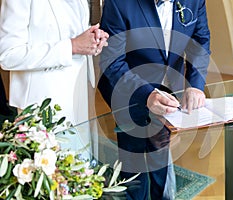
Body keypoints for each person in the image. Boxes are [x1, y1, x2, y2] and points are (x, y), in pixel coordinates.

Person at [98, 0, 210, 199]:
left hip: (170, 91)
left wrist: (195, 85)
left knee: (160, 154)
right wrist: (146, 94)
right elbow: (112, 60)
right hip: (128, 91)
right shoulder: (118, 3)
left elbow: (200, 43)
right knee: (133, 162)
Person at [0, 0, 109, 125]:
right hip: (43, 103)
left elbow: (72, 29)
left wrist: (93, 39)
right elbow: (9, 55)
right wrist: (72, 46)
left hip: (80, 95)